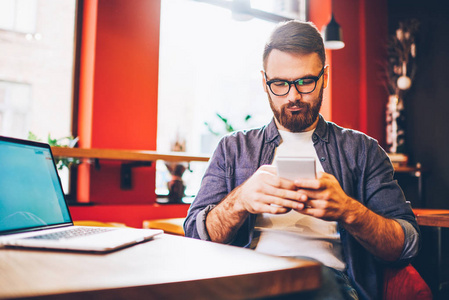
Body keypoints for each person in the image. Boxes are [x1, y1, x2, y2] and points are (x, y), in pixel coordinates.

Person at [184, 20, 419, 300]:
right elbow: (196, 238)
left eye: (306, 82)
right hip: (249, 277)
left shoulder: (362, 150)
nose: (294, 96)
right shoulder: (232, 149)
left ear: (324, 78)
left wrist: (348, 210)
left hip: (326, 279)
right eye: (280, 84)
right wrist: (240, 201)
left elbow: (407, 244)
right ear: (264, 82)